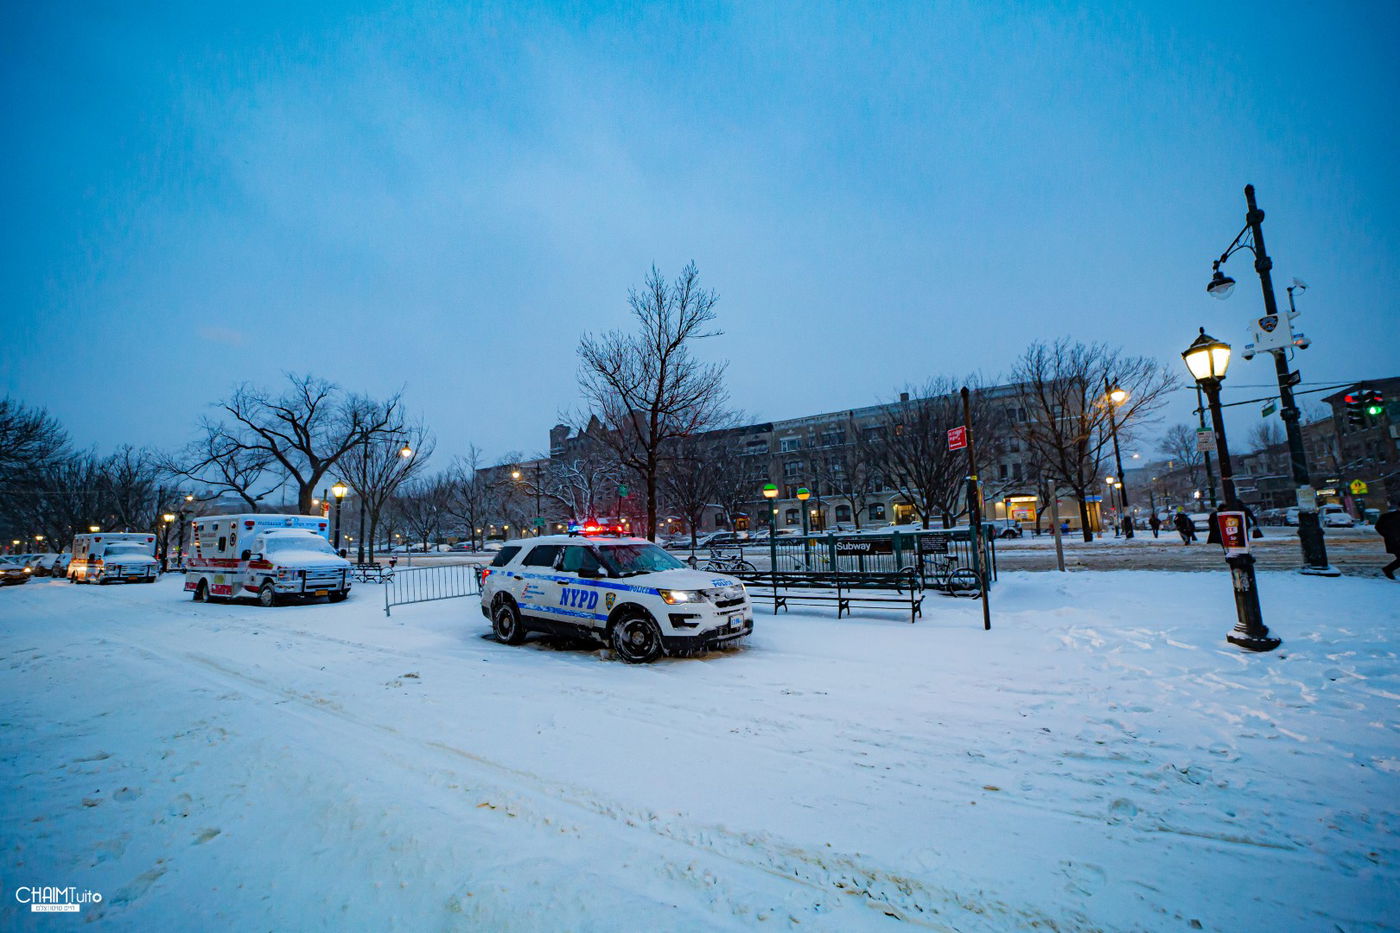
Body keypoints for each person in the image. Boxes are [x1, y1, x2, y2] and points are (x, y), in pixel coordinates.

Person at [1377, 501, 1400, 579]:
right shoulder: (1388, 517)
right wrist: (1389, 535)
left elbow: (1379, 527)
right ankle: (1388, 569)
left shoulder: (1387, 517)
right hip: (1394, 542)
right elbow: (1379, 527)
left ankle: (1388, 569)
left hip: (1393, 541)